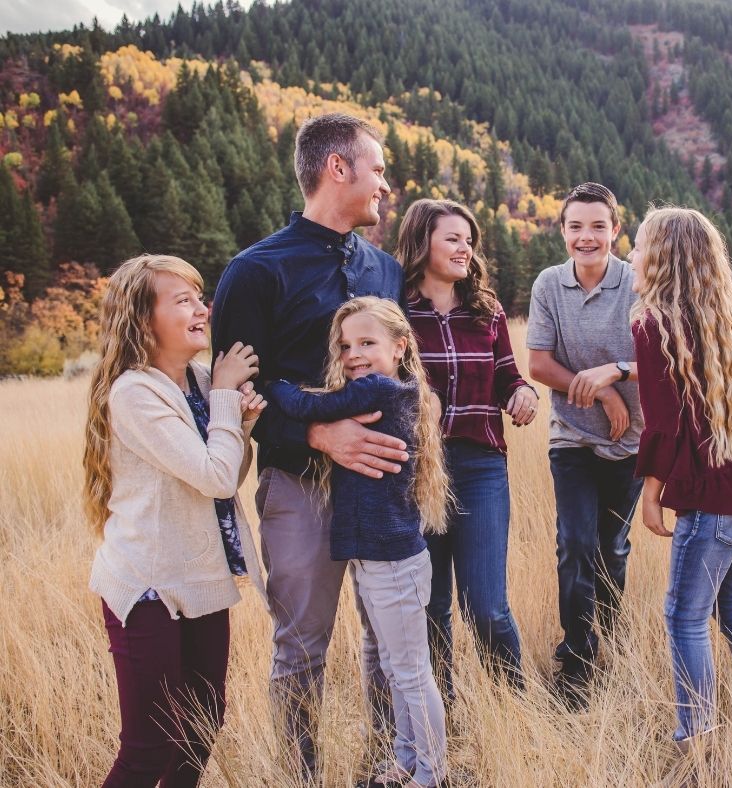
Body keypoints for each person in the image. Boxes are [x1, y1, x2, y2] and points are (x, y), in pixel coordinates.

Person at [210, 113, 408, 778]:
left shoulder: (385, 269)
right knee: (300, 646)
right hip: (299, 485)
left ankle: (388, 766)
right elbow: (236, 392)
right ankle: (300, 774)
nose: (385, 184)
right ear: (337, 168)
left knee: (388, 640)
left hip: (380, 486)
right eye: (377, 169)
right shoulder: (254, 271)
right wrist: (318, 433)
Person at [84, 254, 267, 787]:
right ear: (144, 321)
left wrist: (241, 423)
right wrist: (227, 399)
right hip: (148, 585)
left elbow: (226, 477)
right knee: (149, 746)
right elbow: (214, 477)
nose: (202, 309)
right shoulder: (135, 392)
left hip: (200, 577)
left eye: (199, 297)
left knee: (201, 728)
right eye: (182, 300)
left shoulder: (201, 380)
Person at [266, 296, 450, 788]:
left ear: (400, 346)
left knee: (410, 671)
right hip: (376, 557)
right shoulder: (396, 390)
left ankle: (432, 772)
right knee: (393, 664)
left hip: (392, 559)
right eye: (345, 346)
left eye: (367, 342)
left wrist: (274, 386)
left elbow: (311, 407)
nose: (353, 355)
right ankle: (407, 760)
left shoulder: (378, 389)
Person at [628, 206, 732, 750]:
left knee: (684, 616)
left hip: (715, 499)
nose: (632, 255)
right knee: (731, 604)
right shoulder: (717, 315)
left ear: (662, 259)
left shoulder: (651, 323)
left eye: (640, 246)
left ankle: (696, 737)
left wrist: (651, 494)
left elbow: (663, 425)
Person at [397, 198, 537, 698]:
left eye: (469, 240)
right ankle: (442, 714)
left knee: (487, 606)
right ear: (423, 243)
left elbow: (508, 377)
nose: (465, 249)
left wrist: (523, 393)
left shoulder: (486, 310)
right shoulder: (396, 313)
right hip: (419, 470)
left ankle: (514, 708)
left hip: (481, 466)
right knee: (432, 606)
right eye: (453, 239)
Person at [526, 182, 644, 707]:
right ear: (563, 232)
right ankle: (576, 660)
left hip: (631, 441)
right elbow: (538, 363)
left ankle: (614, 646)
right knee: (574, 543)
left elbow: (665, 358)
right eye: (575, 227)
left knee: (611, 549)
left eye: (598, 226)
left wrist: (614, 373)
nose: (586, 237)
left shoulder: (637, 284)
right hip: (571, 437)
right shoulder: (549, 285)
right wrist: (601, 395)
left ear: (616, 230)